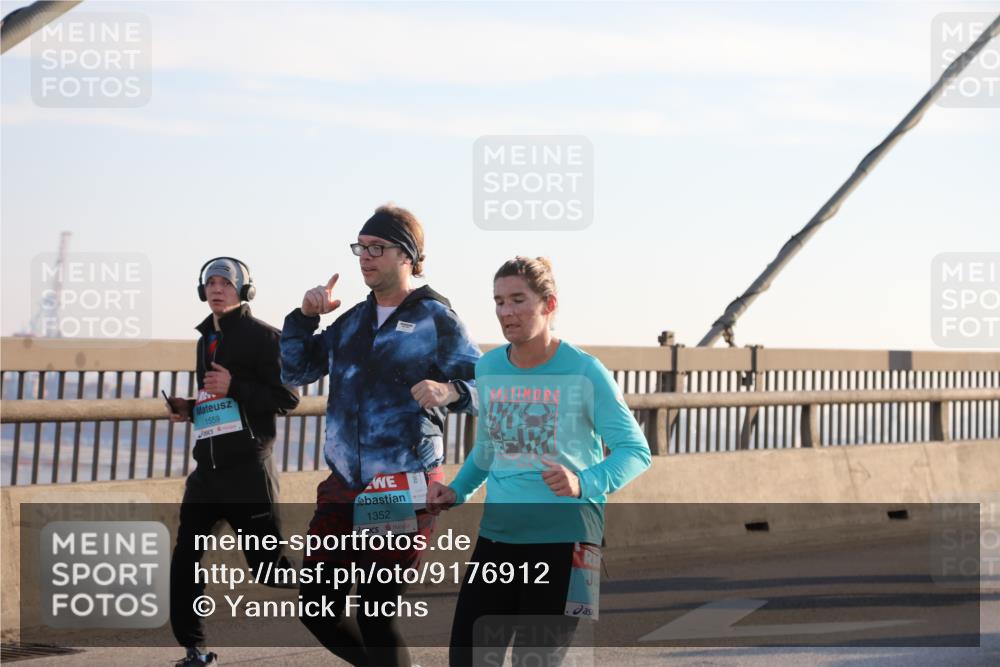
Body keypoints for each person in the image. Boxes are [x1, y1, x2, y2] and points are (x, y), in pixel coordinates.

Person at [426, 256, 652, 667]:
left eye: (518, 300)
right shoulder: (489, 367)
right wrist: (457, 490)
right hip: (499, 538)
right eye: (499, 301)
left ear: (549, 304)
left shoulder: (585, 371)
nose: (506, 312)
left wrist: (582, 482)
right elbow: (490, 447)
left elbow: (635, 451)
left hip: (567, 541)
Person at [280, 204, 480, 667]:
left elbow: (488, 388)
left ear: (407, 255)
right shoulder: (352, 321)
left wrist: (451, 390)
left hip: (401, 486)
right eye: (361, 248)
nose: (365, 257)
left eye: (377, 248)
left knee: (374, 614)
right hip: (343, 485)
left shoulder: (436, 319)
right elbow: (296, 371)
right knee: (316, 609)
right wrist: (305, 318)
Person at [166, 257, 300, 667]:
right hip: (207, 472)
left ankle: (339, 580)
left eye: (226, 282)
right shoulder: (205, 339)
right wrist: (192, 407)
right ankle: (194, 650)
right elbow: (221, 402)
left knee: (271, 571)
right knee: (185, 559)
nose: (217, 289)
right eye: (211, 283)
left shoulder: (266, 338)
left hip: (247, 473)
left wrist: (234, 385)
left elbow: (287, 398)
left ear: (244, 290)